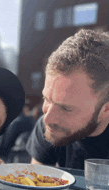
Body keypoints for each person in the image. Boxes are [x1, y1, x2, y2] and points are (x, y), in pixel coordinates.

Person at [26, 29, 109, 170]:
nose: (48, 119)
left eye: (66, 108)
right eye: (47, 99)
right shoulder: (50, 127)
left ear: (106, 109)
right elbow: (36, 185)